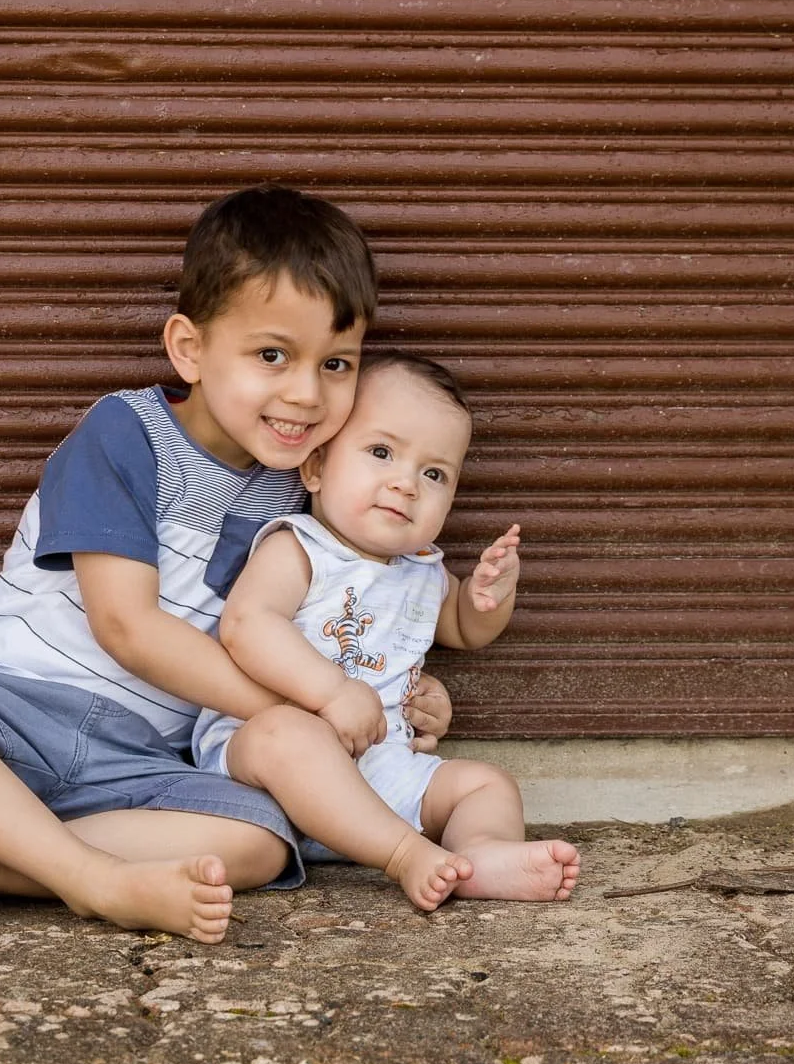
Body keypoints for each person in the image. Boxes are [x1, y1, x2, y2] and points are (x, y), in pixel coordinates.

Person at [0, 186, 453, 944]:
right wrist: (318, 702)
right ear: (190, 349)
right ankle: (95, 881)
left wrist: (390, 687)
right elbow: (127, 626)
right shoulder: (127, 433)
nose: (307, 392)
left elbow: (334, 616)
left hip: (136, 761)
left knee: (261, 838)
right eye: (272, 354)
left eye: (337, 362)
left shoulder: (310, 486)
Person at [194, 351, 581, 911]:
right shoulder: (299, 547)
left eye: (434, 473)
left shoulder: (423, 570)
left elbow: (465, 630)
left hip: (382, 769)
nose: (406, 484)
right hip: (265, 769)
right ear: (316, 468)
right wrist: (330, 692)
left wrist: (489, 594)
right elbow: (246, 626)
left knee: (487, 783)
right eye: (381, 453)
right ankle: (405, 855)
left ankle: (479, 856)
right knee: (288, 733)